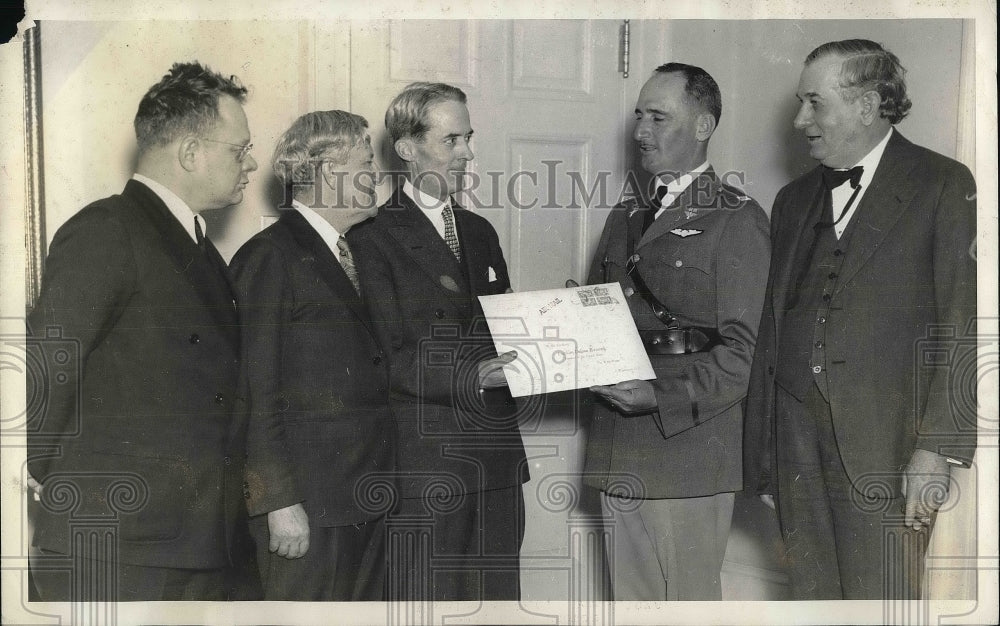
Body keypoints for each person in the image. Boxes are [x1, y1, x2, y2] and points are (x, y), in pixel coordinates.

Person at [743, 39, 977, 600]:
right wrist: (768, 455)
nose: (800, 120)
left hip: (890, 449)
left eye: (814, 103)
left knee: (882, 598)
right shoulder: (792, 200)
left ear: (868, 105)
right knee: (810, 598)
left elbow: (961, 323)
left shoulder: (943, 183)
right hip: (796, 445)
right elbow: (774, 328)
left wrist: (936, 450)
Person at [26, 61, 258, 601]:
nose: (250, 164)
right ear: (191, 153)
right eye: (238, 149)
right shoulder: (108, 229)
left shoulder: (196, 244)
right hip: (118, 543)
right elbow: (47, 363)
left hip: (190, 539)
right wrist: (46, 472)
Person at [583, 63, 770, 601]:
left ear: (704, 125)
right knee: (631, 603)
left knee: (685, 604)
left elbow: (745, 352)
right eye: (639, 115)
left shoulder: (736, 218)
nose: (640, 131)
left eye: (658, 117)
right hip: (620, 444)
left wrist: (657, 396)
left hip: (688, 447)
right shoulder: (627, 213)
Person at [348, 82, 528, 601]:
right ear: (407, 148)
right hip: (427, 469)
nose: (468, 152)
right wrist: (472, 375)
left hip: (496, 461)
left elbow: (504, 327)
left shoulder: (479, 231)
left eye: (469, 137)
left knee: (499, 604)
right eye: (452, 140)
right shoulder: (370, 238)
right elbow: (385, 357)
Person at [229, 110, 396, 600]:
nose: (376, 179)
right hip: (306, 510)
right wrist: (278, 502)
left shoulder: (360, 253)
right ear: (327, 173)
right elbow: (254, 393)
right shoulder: (269, 257)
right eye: (366, 164)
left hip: (364, 498)